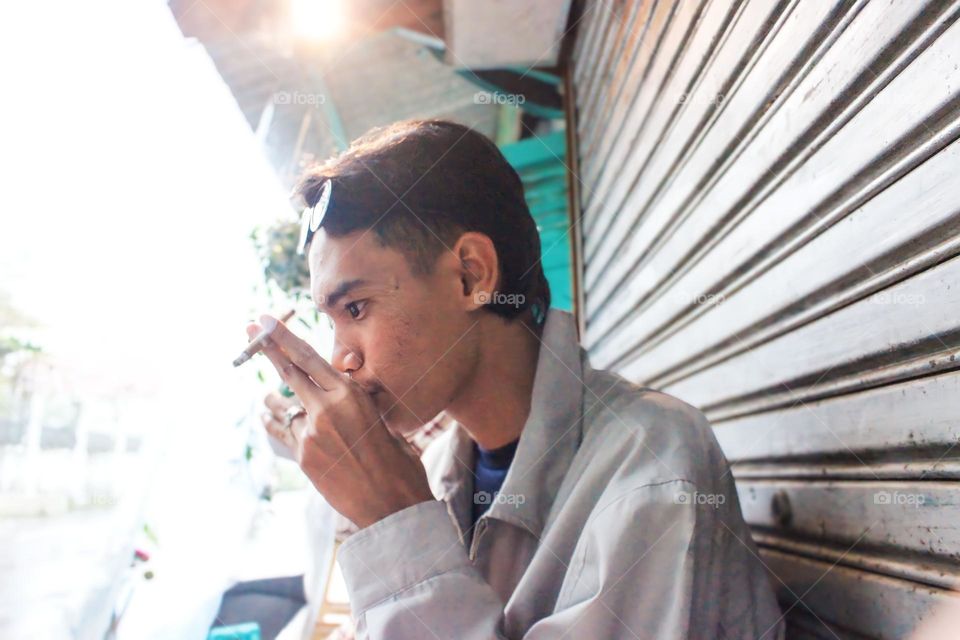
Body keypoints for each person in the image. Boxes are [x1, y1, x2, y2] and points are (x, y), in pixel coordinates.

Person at [247, 119, 784, 639]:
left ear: (471, 275)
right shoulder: (434, 470)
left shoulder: (654, 468)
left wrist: (398, 521)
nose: (341, 359)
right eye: (331, 321)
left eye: (358, 308)